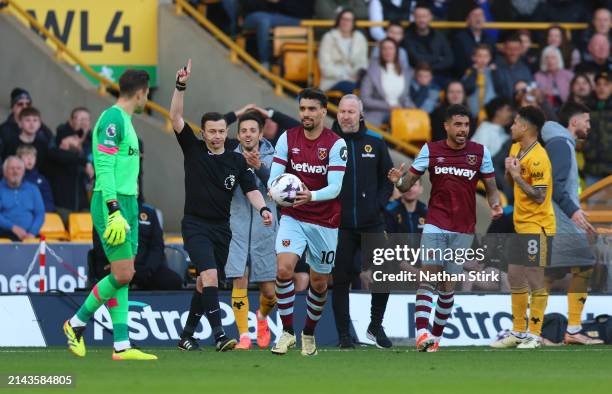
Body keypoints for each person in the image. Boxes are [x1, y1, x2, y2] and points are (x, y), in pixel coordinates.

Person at [169, 59, 273, 352]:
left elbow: (251, 188)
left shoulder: (236, 159)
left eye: (220, 131)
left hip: (222, 229)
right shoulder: (193, 149)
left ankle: (186, 335)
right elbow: (175, 117)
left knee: (205, 284)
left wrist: (263, 209)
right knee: (210, 276)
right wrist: (180, 85)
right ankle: (219, 335)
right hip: (195, 225)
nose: (216, 136)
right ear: (202, 133)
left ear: (226, 133)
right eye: (211, 131)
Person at [387, 104, 502, 352]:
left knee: (448, 287)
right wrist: (399, 180)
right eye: (458, 125)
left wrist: (494, 204)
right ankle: (421, 334)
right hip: (436, 222)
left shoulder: (480, 153)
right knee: (429, 276)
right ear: (447, 126)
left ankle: (435, 338)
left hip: (464, 228)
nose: (463, 130)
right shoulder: (430, 150)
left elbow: (491, 188)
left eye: (466, 125)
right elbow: (408, 185)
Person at [62, 69, 157, 361]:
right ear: (141, 92)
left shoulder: (125, 120)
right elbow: (102, 165)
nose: (147, 99)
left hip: (128, 202)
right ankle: (75, 324)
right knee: (123, 272)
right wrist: (114, 208)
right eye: (147, 94)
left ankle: (121, 346)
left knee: (123, 275)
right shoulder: (113, 118)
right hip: (110, 202)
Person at [268, 88, 347, 356]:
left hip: (325, 221)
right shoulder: (287, 138)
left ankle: (309, 333)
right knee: (283, 270)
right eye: (302, 109)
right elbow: (274, 177)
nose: (306, 114)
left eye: (312, 109)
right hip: (294, 216)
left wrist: (309, 195)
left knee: (320, 282)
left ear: (324, 111)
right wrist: (274, 189)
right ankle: (287, 332)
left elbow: (335, 188)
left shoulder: (336, 144)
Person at [331, 95, 393, 349]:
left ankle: (375, 326)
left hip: (371, 222)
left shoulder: (375, 144)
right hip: (340, 224)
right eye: (342, 111)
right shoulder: (329, 145)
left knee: (386, 273)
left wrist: (377, 205)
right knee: (341, 279)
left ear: (361, 115)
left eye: (351, 112)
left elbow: (388, 179)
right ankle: (344, 335)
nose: (346, 116)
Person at [491, 106, 555, 350]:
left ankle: (535, 334)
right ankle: (518, 331)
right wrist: (510, 173)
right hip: (520, 223)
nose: (511, 126)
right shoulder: (516, 147)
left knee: (534, 278)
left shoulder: (540, 157)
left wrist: (517, 176)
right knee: (516, 276)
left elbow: (539, 196)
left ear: (526, 127)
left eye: (515, 123)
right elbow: (512, 184)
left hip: (537, 225)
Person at [541, 102, 604, 346]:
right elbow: (555, 186)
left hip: (557, 217)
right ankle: (573, 329)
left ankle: (532, 328)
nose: (589, 126)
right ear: (574, 122)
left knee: (553, 271)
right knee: (585, 265)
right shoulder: (561, 144)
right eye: (586, 121)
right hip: (562, 218)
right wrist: (573, 211)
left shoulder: (558, 142)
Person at [224, 111, 278, 350]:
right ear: (238, 134)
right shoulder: (227, 156)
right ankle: (244, 335)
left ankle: (263, 318)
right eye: (243, 130)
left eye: (252, 130)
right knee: (239, 279)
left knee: (269, 292)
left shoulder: (276, 155)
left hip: (265, 227)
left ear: (260, 133)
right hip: (235, 225)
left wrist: (260, 168)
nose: (248, 135)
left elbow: (281, 188)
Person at [91, 203, 183, 291]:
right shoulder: (103, 212)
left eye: (136, 186)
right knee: (111, 280)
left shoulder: (149, 212)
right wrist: (119, 263)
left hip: (145, 268)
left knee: (173, 281)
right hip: (115, 265)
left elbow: (157, 246)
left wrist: (147, 269)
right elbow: (100, 246)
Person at [241, 0, 315, 69]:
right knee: (264, 21)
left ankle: (272, 63)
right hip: (255, 14)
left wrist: (279, 2)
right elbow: (248, 5)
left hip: (283, 16)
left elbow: (305, 11)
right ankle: (264, 64)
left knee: (301, 24)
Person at [361, 38, 415, 126]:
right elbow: (365, 99)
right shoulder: (372, 71)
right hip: (377, 112)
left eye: (391, 48)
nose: (388, 51)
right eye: (384, 48)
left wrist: (414, 109)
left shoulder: (405, 71)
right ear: (380, 51)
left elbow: (406, 97)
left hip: (401, 111)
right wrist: (388, 106)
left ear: (396, 51)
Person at [318, 9, 369, 93]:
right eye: (343, 19)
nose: (346, 22)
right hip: (333, 80)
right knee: (349, 87)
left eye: (349, 20)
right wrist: (346, 76)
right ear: (339, 20)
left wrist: (357, 74)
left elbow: (363, 62)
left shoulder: (360, 38)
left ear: (353, 22)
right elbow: (325, 67)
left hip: (355, 79)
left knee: (368, 85)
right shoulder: (328, 37)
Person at [403, 3, 454, 83]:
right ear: (414, 18)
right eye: (418, 16)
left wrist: (430, 67)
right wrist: (437, 58)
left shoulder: (439, 36)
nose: (421, 20)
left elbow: (449, 59)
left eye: (424, 16)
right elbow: (416, 59)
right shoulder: (407, 36)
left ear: (431, 17)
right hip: (415, 77)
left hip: (438, 76)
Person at [0, 156, 44, 241]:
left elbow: (40, 214)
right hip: (4, 235)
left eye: (19, 168)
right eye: (11, 168)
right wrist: (12, 227)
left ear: (23, 172)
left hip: (30, 235)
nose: (15, 171)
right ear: (5, 172)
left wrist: (32, 233)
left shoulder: (33, 189)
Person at [584, 72, 612, 186]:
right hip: (591, 169)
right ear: (594, 87)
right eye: (599, 84)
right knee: (591, 203)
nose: (602, 88)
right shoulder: (586, 108)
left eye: (606, 84)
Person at [452, 5, 496, 78]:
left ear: (485, 19)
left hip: (487, 77)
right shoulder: (459, 39)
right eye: (474, 15)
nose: (478, 18)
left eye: (481, 15)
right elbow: (458, 64)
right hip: (467, 78)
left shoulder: (490, 39)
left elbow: (494, 58)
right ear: (467, 20)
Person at [462, 43, 498, 121]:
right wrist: (474, 72)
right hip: (473, 113)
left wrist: (495, 73)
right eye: (479, 56)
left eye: (486, 56)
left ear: (490, 58)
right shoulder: (469, 72)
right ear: (473, 58)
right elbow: (467, 88)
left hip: (490, 113)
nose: (483, 59)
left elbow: (500, 88)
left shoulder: (493, 72)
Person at [493, 34, 533, 99]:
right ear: (504, 49)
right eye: (510, 49)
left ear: (521, 50)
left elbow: (531, 92)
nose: (513, 53)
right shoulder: (495, 68)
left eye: (516, 49)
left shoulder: (525, 68)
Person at [534, 46, 574, 111]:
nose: (550, 61)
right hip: (545, 109)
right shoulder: (538, 76)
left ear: (559, 59)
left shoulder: (568, 75)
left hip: (567, 108)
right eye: (546, 58)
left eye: (553, 57)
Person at [17, 145, 55, 212]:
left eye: (33, 156)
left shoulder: (42, 179)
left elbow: (48, 200)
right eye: (26, 156)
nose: (30, 159)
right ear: (19, 159)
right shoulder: (12, 177)